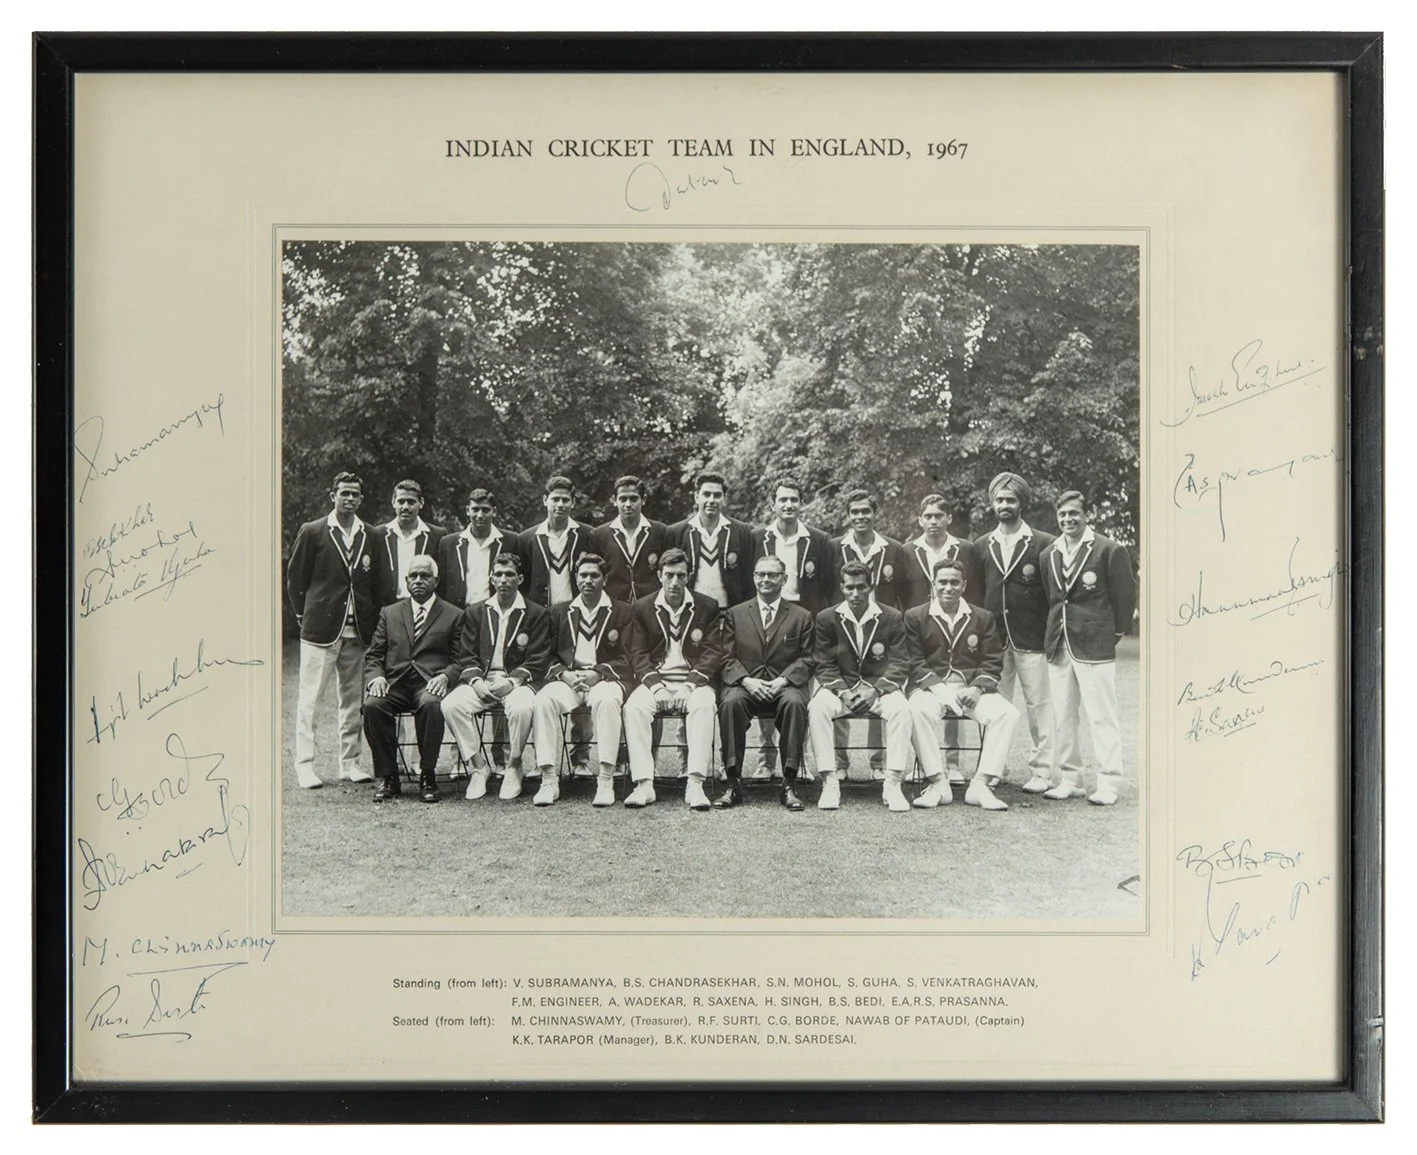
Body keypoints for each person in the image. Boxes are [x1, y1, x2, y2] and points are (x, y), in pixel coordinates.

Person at [286, 471, 385, 789]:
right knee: (310, 700)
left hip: (358, 634)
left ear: (361, 498)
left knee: (352, 701)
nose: (350, 499)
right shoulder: (314, 531)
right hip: (320, 631)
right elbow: (295, 579)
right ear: (333, 495)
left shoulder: (370, 534)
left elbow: (377, 583)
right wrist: (305, 616)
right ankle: (304, 766)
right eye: (344, 493)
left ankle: (350, 763)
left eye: (355, 494)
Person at [1040, 491, 1137, 805]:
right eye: (1063, 515)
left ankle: (1108, 782)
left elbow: (1125, 598)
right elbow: (1053, 599)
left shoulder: (1109, 549)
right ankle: (1071, 778)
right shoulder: (1049, 554)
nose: (1068, 520)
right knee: (1063, 715)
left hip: (1095, 643)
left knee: (1101, 715)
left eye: (1074, 514)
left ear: (1086, 515)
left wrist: (1114, 633)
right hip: (1059, 642)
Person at [904, 559, 1020, 811]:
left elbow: (992, 659)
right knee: (916, 710)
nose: (948, 588)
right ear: (933, 585)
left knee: (1007, 714)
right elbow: (914, 661)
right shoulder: (915, 617)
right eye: (942, 582)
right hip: (931, 688)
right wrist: (940, 689)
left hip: (970, 690)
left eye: (954, 582)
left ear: (964, 585)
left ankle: (980, 785)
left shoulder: (982, 617)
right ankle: (938, 783)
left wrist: (977, 688)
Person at [441, 552, 551, 801]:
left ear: (520, 578)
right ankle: (479, 767)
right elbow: (466, 654)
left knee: (523, 707)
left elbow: (539, 658)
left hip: (517, 682)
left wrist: (512, 681)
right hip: (482, 680)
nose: (503, 580)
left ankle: (513, 765)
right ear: (491, 577)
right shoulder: (476, 612)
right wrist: (476, 682)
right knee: (451, 704)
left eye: (509, 574)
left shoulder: (535, 613)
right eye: (498, 574)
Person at [975, 472, 1057, 793]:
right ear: (992, 503)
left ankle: (1042, 771)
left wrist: (1050, 636)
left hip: (1032, 638)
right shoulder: (983, 545)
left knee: (1039, 706)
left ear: (1022, 502)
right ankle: (996, 769)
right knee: (996, 706)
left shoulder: (1044, 543)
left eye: (1011, 500)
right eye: (999, 500)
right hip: (994, 642)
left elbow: (1053, 594)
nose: (1004, 505)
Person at [623, 548, 723, 810]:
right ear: (659, 576)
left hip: (694, 682)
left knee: (703, 705)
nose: (675, 582)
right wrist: (657, 688)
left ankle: (695, 783)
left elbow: (713, 652)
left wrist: (689, 686)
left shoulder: (707, 605)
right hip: (657, 681)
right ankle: (644, 784)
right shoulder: (643, 607)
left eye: (680, 575)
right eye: (669, 575)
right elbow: (638, 653)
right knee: (634, 707)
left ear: (689, 576)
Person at [530, 554, 634, 807]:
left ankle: (606, 780)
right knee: (543, 700)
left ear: (605, 579)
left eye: (594, 575)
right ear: (576, 578)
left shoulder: (622, 611)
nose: (588, 580)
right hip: (570, 680)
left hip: (604, 679)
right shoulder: (558, 612)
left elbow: (629, 657)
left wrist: (598, 673)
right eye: (583, 575)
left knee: (609, 701)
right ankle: (549, 780)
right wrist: (564, 674)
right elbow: (546, 654)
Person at [808, 561, 913, 811]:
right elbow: (823, 663)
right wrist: (843, 692)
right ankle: (829, 780)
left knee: (901, 709)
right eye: (850, 588)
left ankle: (893, 782)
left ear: (871, 587)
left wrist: (875, 689)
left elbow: (900, 663)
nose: (856, 594)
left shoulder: (892, 616)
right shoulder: (826, 617)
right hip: (841, 690)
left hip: (878, 689)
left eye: (861, 588)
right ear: (842, 588)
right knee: (817, 707)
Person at [716, 554, 814, 810]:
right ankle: (732, 783)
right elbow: (726, 656)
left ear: (785, 579)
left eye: (773, 575)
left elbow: (808, 658)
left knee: (794, 704)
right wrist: (746, 681)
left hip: (785, 686)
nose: (766, 580)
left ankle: (789, 783)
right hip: (746, 684)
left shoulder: (801, 615)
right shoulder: (736, 614)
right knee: (731, 704)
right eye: (761, 574)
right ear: (753, 578)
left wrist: (783, 680)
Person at [362, 555, 461, 803]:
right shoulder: (390, 613)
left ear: (436, 580)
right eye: (413, 576)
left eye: (425, 576)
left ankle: (427, 777)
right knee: (373, 705)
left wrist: (445, 676)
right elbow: (374, 654)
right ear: (406, 581)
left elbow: (461, 659)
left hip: (429, 683)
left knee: (431, 703)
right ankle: (389, 777)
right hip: (395, 683)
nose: (418, 581)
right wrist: (376, 677)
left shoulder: (453, 614)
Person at [667, 471, 756, 611]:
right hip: (689, 613)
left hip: (730, 614)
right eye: (706, 494)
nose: (712, 500)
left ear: (724, 498)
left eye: (717, 495)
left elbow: (749, 579)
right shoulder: (676, 532)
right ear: (697, 497)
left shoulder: (742, 532)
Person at [750, 477, 836, 615]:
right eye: (783, 500)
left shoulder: (819, 539)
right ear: (773, 505)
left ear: (801, 504)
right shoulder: (756, 538)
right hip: (767, 611)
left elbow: (828, 585)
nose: (789, 505)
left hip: (806, 613)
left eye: (794, 500)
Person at [591, 475, 672, 605]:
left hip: (652, 606)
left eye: (634, 499)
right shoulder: (600, 534)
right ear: (614, 500)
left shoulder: (660, 531)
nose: (628, 504)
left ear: (643, 499)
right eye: (623, 499)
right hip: (614, 606)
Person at [900, 493, 985, 610]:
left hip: (958, 619)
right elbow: (901, 594)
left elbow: (976, 591)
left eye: (938, 516)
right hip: (919, 622)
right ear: (920, 521)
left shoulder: (967, 549)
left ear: (949, 519)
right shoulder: (907, 551)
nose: (933, 521)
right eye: (928, 517)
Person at [517, 474, 589, 609]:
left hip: (577, 612)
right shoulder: (526, 539)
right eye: (555, 499)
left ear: (573, 502)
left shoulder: (587, 534)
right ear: (545, 500)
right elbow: (523, 584)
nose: (560, 505)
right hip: (541, 614)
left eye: (565, 500)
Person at [831, 490, 907, 610]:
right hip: (844, 622)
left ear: (875, 513)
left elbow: (902, 593)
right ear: (848, 515)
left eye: (865, 511)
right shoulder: (834, 547)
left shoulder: (893, 549)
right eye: (855, 512)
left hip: (883, 622)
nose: (860, 517)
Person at [436, 486, 511, 608]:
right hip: (458, 613)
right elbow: (441, 586)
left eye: (485, 510)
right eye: (475, 509)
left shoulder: (510, 541)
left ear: (495, 511)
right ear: (467, 510)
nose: (480, 515)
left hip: (495, 612)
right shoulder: (448, 543)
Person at [374, 479, 445, 606]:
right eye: (401, 501)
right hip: (387, 611)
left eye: (411, 502)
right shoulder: (378, 534)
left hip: (424, 609)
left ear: (421, 503)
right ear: (393, 502)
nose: (405, 507)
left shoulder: (437, 535)